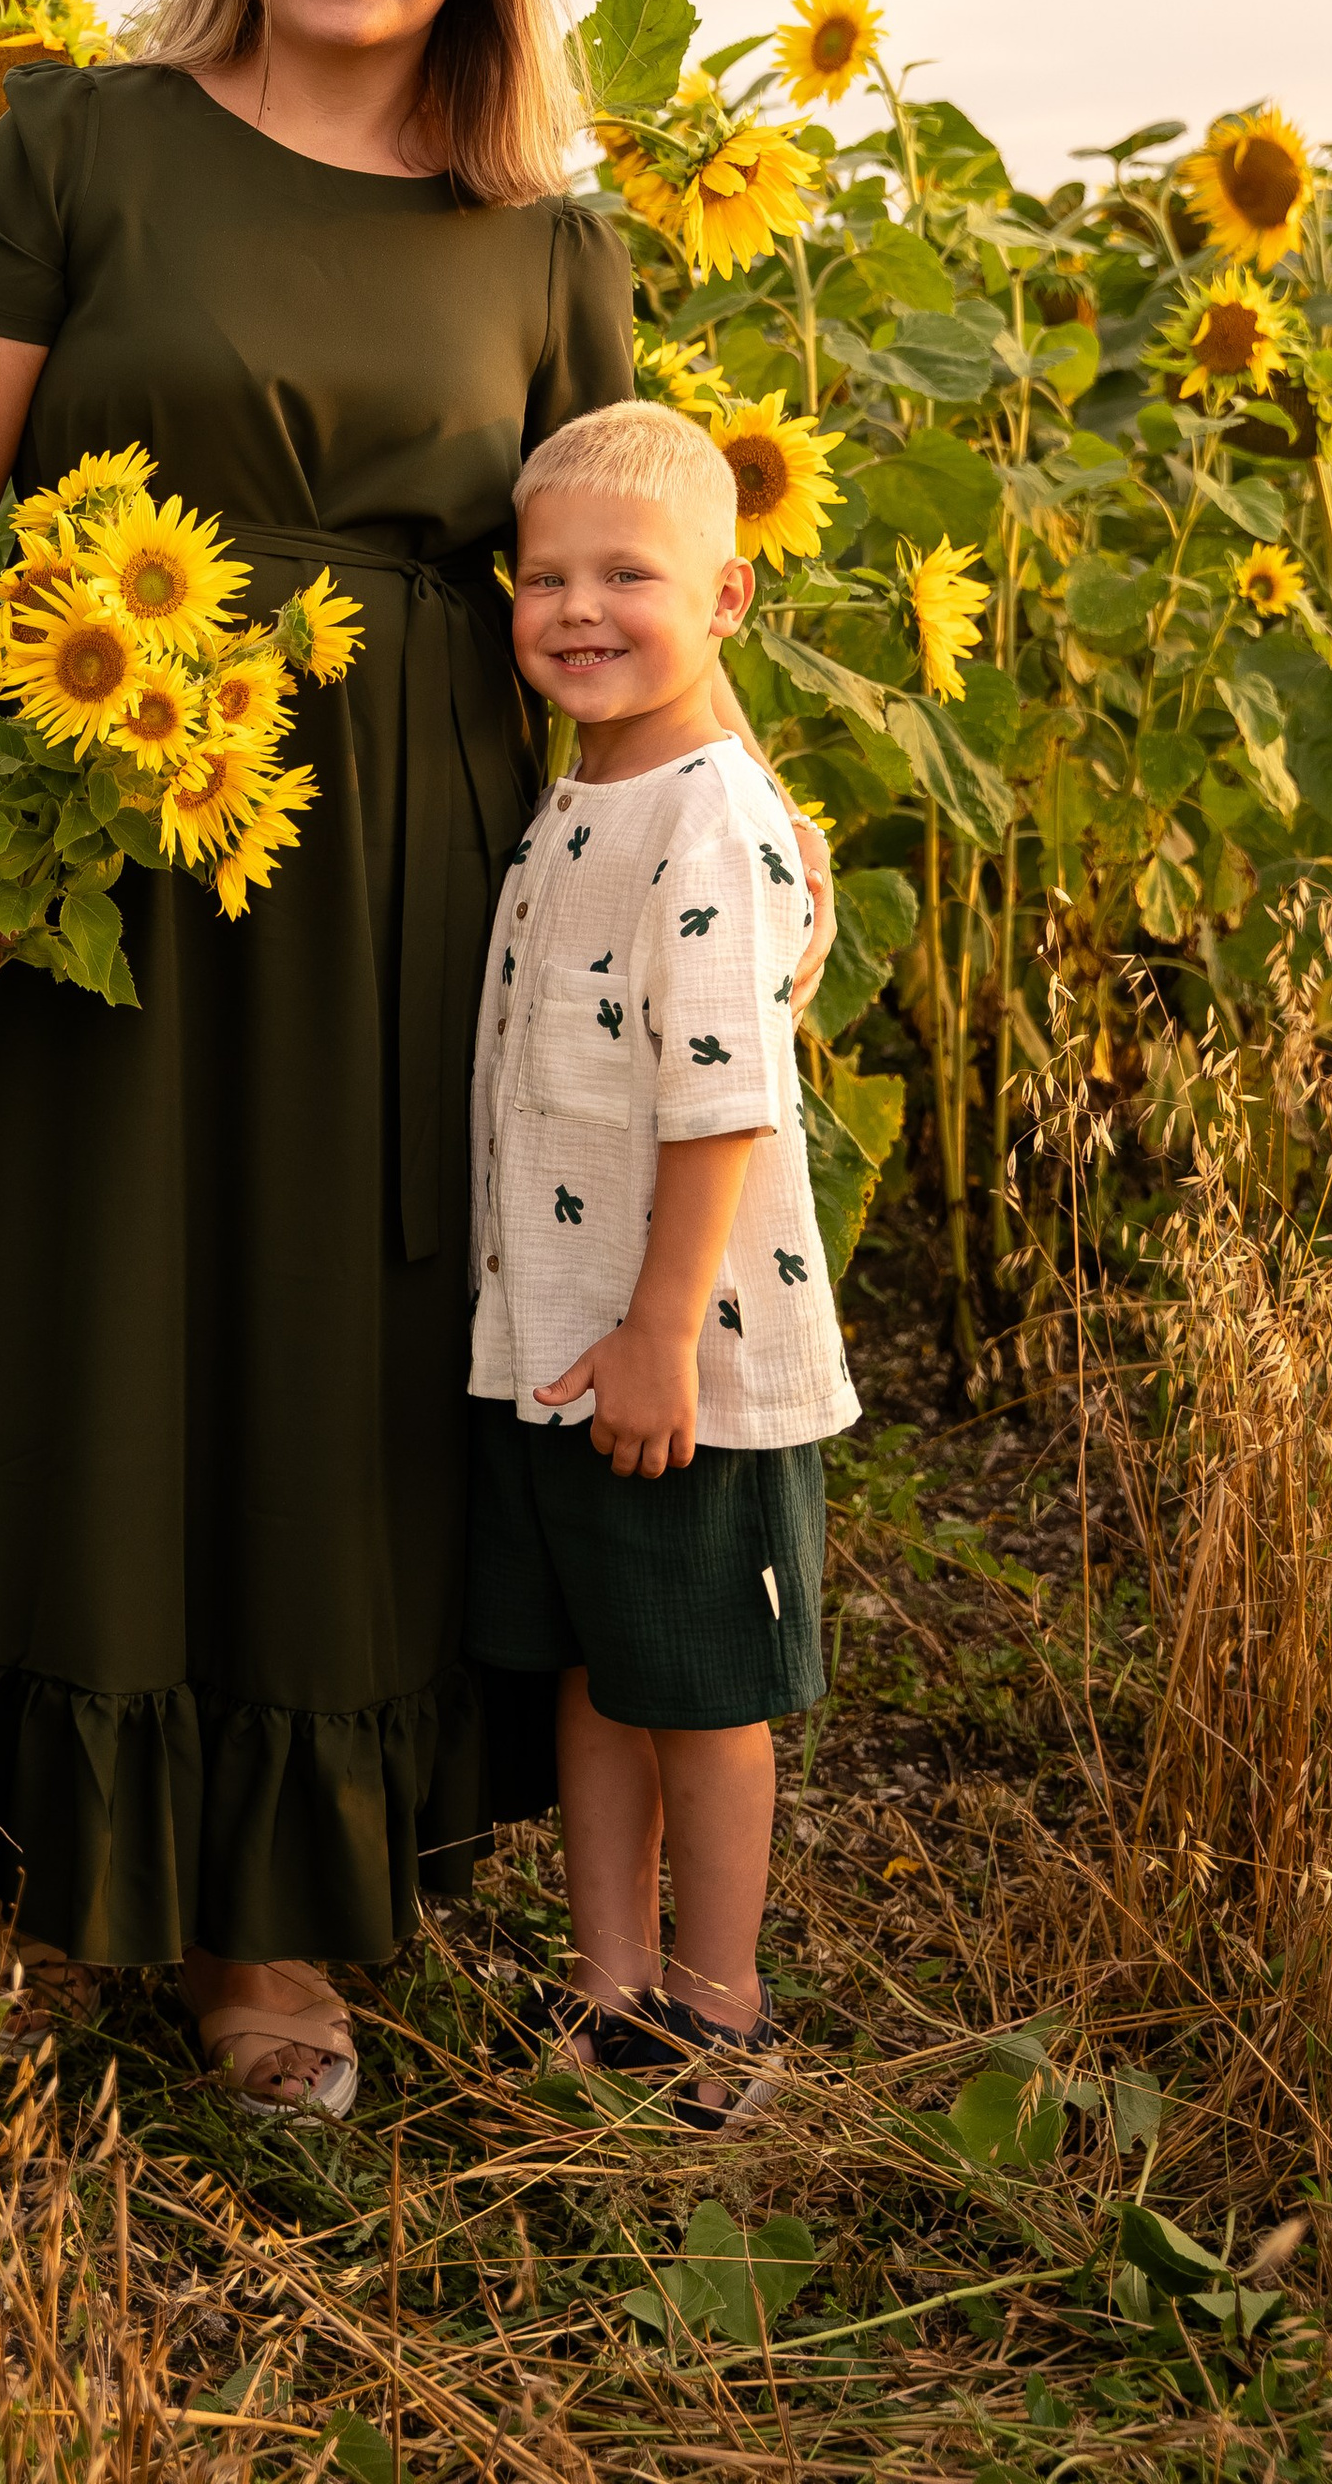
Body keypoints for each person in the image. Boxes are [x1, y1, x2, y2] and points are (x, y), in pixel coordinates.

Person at [0, 0, 834, 2118]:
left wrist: (707, 868)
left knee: (343, 1352)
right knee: (63, 1310)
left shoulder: (541, 233)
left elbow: (608, 595)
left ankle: (272, 1931)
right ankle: (21, 1878)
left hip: (422, 861)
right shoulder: (76, 149)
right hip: (101, 810)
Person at [465, 400, 859, 2130]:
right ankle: (609, 1983)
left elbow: (721, 1105)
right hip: (569, 1334)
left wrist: (658, 1333)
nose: (578, 607)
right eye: (543, 574)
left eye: (628, 572)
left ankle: (722, 2007)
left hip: (683, 1342)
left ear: (730, 595)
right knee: (600, 1660)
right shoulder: (586, 792)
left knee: (700, 1686)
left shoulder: (712, 815)